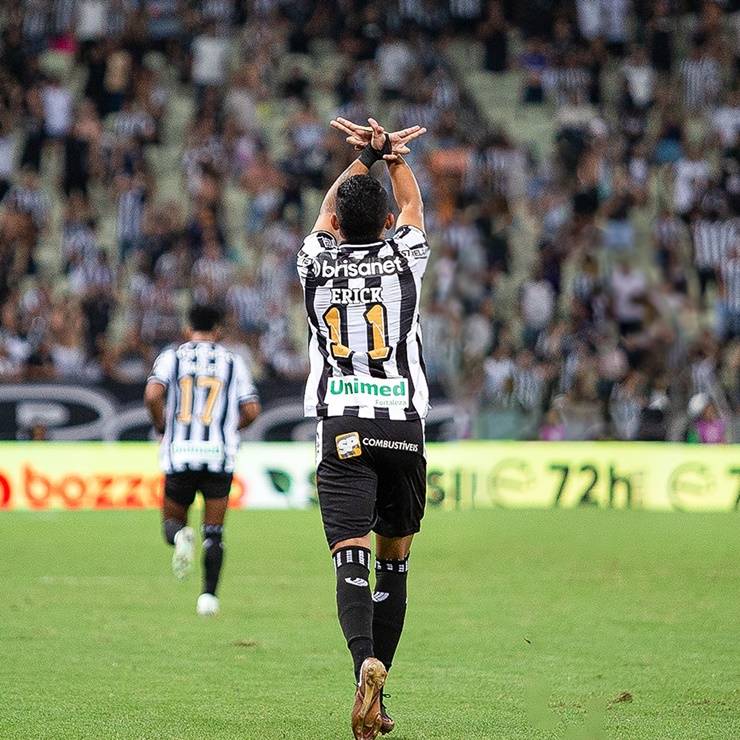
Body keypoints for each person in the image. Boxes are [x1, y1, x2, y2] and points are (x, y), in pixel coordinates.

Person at [297, 116, 427, 739]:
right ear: (382, 226)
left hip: (342, 424)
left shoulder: (316, 262)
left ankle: (363, 666)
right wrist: (394, 157)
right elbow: (412, 204)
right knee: (393, 561)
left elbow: (328, 213)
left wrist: (362, 159)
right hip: (401, 427)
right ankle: (379, 691)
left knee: (349, 557)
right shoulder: (404, 258)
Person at [144, 303, 260, 616]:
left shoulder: (172, 357)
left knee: (172, 525)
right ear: (219, 330)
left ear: (187, 329)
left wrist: (160, 425)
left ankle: (182, 536)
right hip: (218, 456)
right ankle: (209, 598)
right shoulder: (233, 361)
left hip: (180, 454)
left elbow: (153, 395)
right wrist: (228, 429)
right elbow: (251, 410)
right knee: (215, 533)